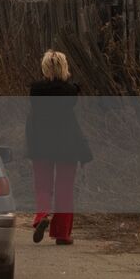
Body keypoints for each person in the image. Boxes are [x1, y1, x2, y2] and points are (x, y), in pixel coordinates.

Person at [26, 49, 92, 245]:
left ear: (45, 68)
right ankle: (62, 234)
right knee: (65, 190)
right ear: (65, 68)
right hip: (67, 146)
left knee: (42, 186)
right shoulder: (71, 92)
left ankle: (42, 215)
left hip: (41, 145)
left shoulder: (35, 91)